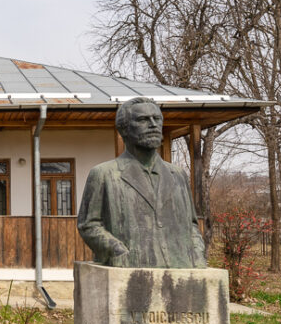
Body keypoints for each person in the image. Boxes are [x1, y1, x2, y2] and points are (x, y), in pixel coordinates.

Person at [77, 97, 206, 268]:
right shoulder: (104, 174)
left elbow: (191, 225)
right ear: (124, 130)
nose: (153, 125)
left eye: (157, 119)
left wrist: (196, 252)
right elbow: (89, 225)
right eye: (143, 120)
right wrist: (116, 251)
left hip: (180, 267)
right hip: (132, 268)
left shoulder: (178, 175)